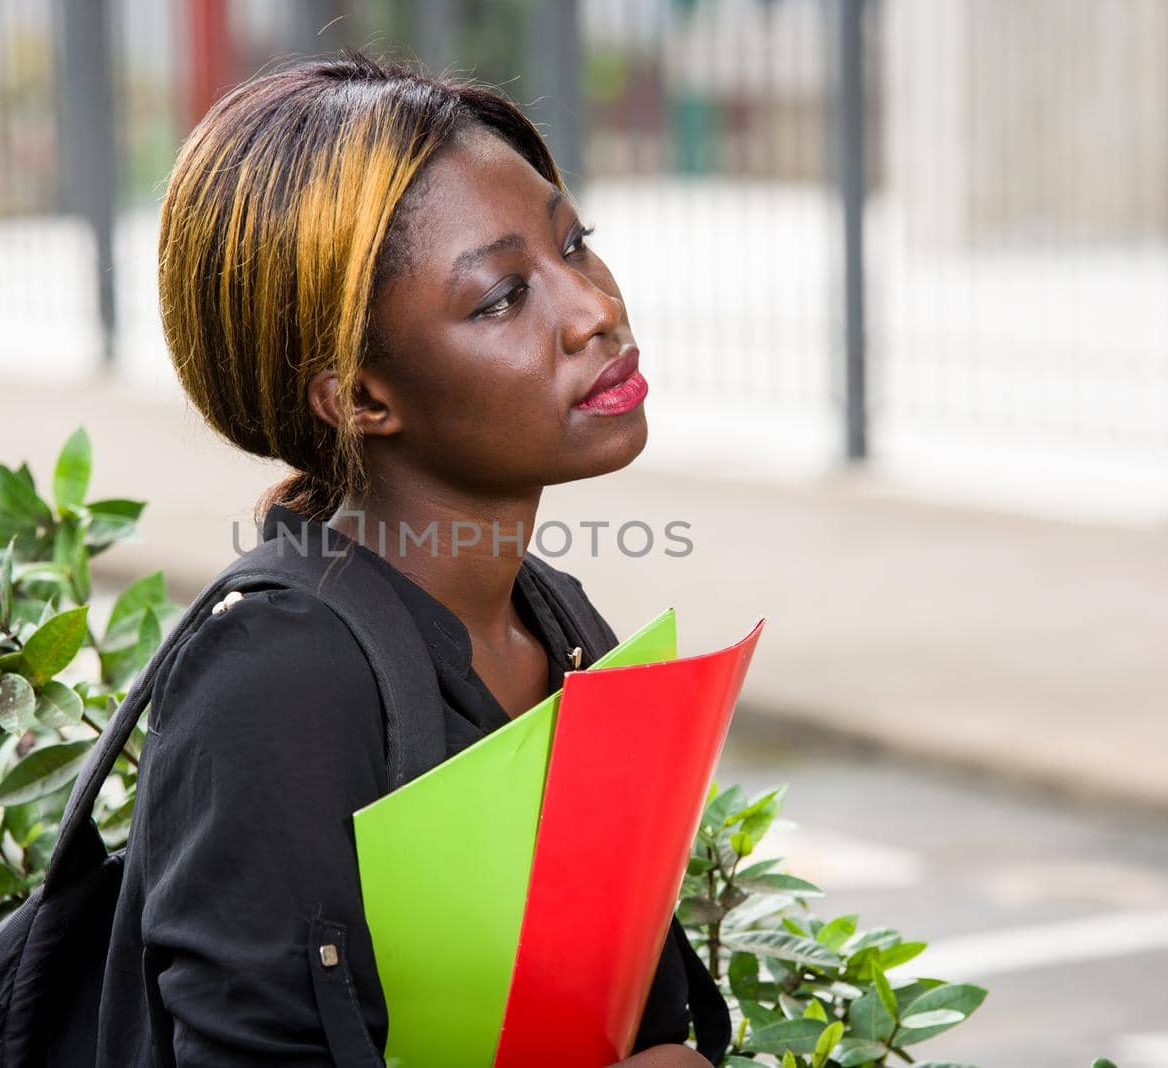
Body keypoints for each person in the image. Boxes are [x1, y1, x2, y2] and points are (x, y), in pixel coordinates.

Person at [96, 52, 723, 1067]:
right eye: (502, 297)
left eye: (578, 247)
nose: (593, 310)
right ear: (356, 398)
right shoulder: (277, 682)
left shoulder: (556, 621)